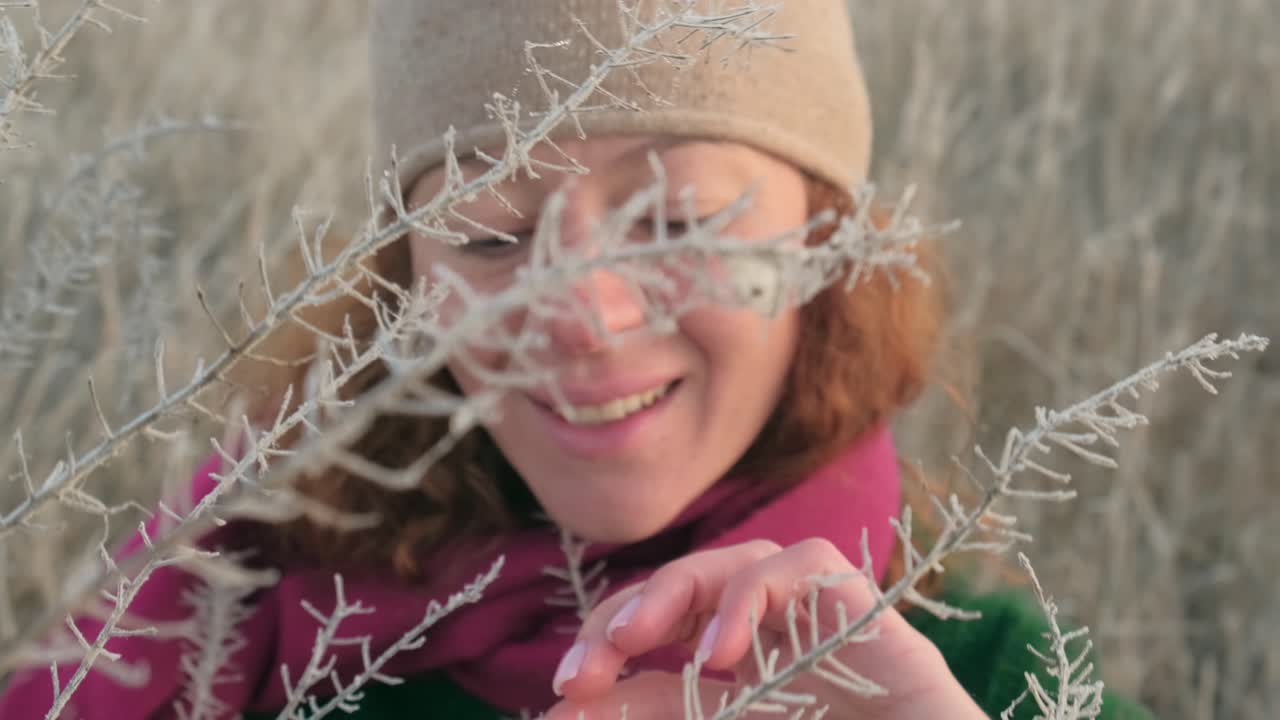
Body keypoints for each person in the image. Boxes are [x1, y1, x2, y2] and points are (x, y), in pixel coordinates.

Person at [0, 1, 1152, 718]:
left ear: (820, 248)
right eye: (493, 234)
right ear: (407, 276)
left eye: (674, 223)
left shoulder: (994, 685)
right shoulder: (229, 634)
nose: (581, 314)